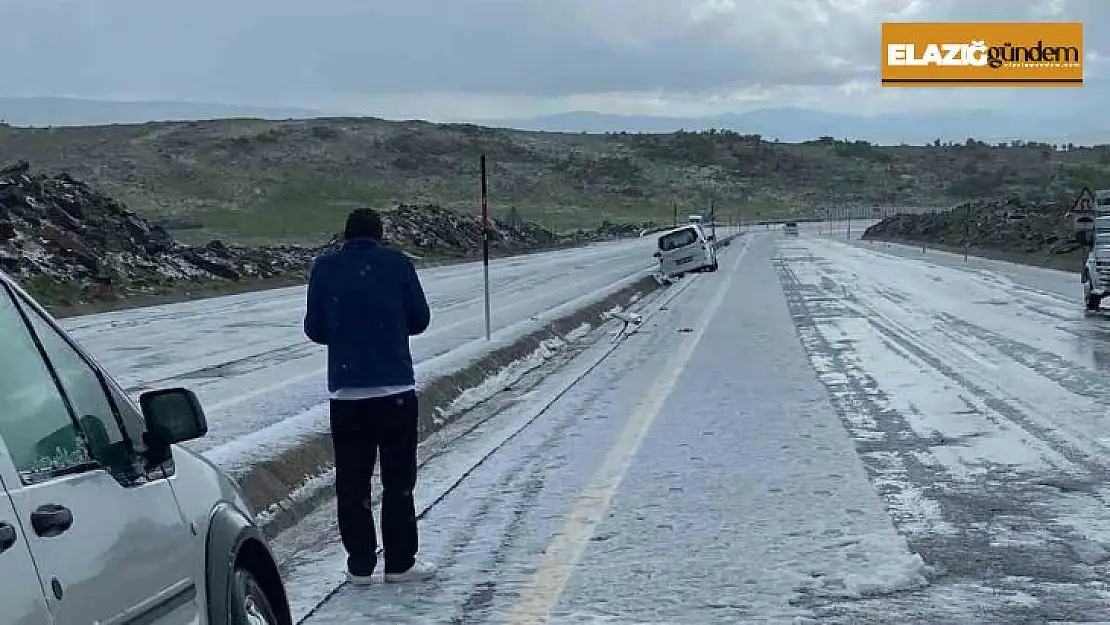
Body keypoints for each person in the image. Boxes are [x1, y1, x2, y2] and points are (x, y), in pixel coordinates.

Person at [303, 208, 436, 584]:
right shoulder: (397, 264)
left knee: (351, 482)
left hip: (346, 394)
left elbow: (314, 328)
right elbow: (420, 320)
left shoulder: (324, 269)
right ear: (379, 236)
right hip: (394, 389)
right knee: (398, 481)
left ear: (345, 236)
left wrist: (347, 334)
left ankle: (360, 564)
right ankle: (400, 563)